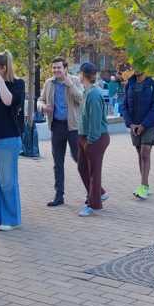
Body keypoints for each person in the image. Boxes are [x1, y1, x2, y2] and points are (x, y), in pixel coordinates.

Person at [0, 51, 25, 231]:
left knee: (7, 181)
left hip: (8, 138)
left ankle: (10, 218)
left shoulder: (18, 84)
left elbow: (8, 101)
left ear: (3, 68)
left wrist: (0, 80)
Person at [37, 57, 84, 207]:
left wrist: (69, 84)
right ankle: (59, 195)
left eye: (59, 68)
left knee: (79, 159)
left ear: (65, 68)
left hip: (73, 127)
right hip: (56, 126)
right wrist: (42, 107)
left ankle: (93, 191)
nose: (56, 70)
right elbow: (40, 99)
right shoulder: (49, 83)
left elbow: (81, 99)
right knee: (58, 163)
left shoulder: (75, 80)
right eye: (54, 68)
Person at [121, 71, 154, 200]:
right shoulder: (129, 85)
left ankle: (144, 186)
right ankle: (144, 184)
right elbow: (124, 106)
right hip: (134, 124)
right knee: (140, 153)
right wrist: (131, 123)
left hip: (149, 125)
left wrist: (144, 125)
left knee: (145, 152)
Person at [77, 62, 110, 217]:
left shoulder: (94, 94)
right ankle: (99, 193)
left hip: (95, 139)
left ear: (83, 75)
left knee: (93, 173)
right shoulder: (86, 92)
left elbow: (95, 122)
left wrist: (90, 141)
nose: (78, 76)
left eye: (79, 73)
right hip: (86, 138)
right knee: (82, 168)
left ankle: (93, 204)